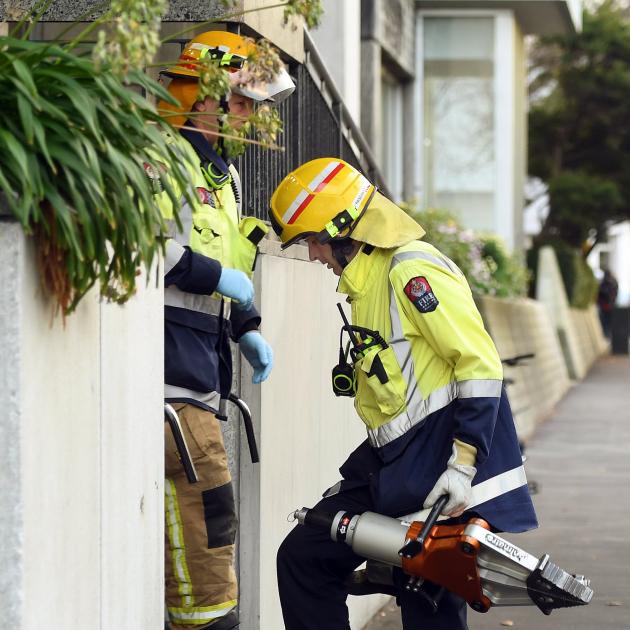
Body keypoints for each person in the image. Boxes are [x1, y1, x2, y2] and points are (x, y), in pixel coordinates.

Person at [268, 158, 538, 630]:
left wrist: (462, 466)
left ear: (343, 231)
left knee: (426, 600)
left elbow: (479, 364)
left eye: (313, 241)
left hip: (441, 470)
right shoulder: (365, 284)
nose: (312, 255)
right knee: (304, 556)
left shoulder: (411, 273)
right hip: (395, 464)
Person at [155, 31, 294, 630]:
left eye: (256, 105)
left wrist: (247, 325)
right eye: (241, 101)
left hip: (202, 376)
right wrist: (219, 278)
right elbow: (155, 253)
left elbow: (230, 262)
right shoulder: (163, 159)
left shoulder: (225, 177)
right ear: (200, 96)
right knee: (208, 531)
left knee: (208, 528)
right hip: (168, 378)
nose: (252, 116)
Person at [597, 268, 618, 338]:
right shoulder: (605, 283)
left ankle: (607, 335)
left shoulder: (611, 284)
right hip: (605, 307)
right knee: (605, 322)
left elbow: (614, 295)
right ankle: (606, 335)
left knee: (607, 322)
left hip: (608, 307)